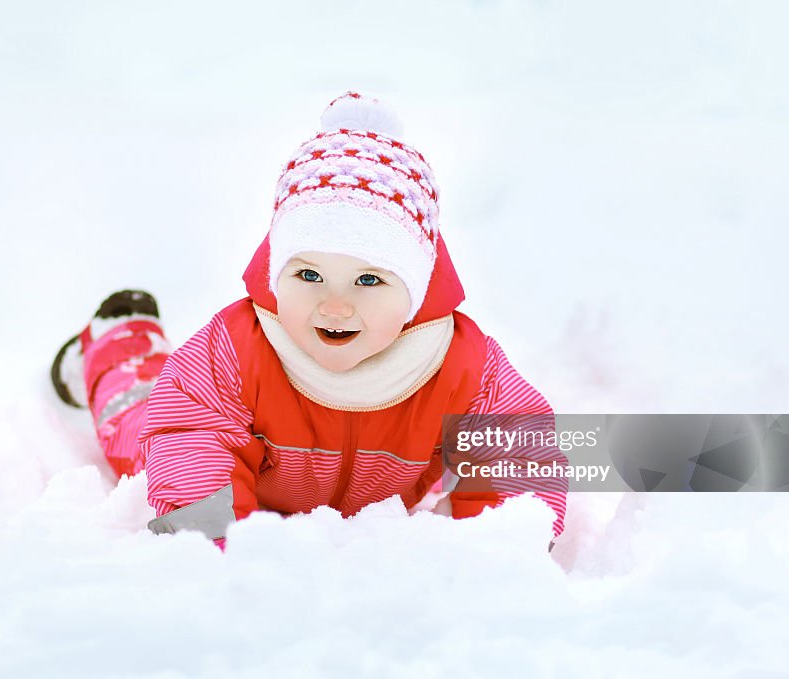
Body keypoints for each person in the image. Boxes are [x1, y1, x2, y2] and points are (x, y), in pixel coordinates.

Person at [52, 92, 568, 548]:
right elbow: (189, 433)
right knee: (144, 424)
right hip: (240, 488)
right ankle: (119, 343)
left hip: (382, 493)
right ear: (277, 271)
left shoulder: (459, 364)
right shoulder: (237, 350)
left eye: (368, 281)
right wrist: (218, 549)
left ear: (415, 289)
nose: (335, 305)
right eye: (309, 275)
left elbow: (524, 449)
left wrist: (504, 545)